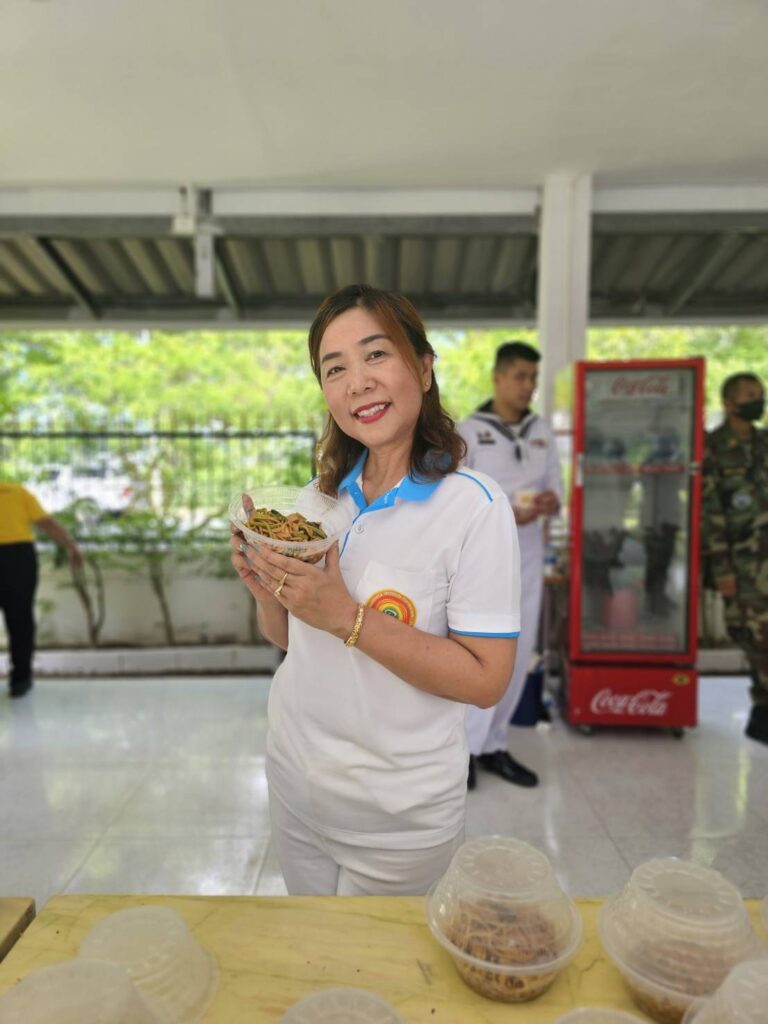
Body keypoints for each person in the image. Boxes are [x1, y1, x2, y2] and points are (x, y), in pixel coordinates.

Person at [230, 285, 521, 896]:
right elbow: (290, 639)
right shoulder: (318, 500)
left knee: (376, 959)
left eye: (376, 355)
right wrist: (266, 590)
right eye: (334, 368)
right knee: (312, 942)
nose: (357, 382)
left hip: (398, 817)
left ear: (424, 368)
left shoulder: (474, 507)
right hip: (295, 783)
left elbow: (486, 680)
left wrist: (346, 616)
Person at [458, 341, 562, 790]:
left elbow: (556, 487)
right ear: (497, 378)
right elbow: (456, 495)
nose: (528, 386)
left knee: (519, 652)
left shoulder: (542, 431)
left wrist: (550, 502)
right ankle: (464, 751)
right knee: (479, 651)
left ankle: (494, 745)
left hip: (529, 553)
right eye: (520, 376)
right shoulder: (469, 431)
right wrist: (504, 512)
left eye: (533, 378)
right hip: (483, 556)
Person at [702, 372, 768, 745]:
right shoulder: (713, 448)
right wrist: (722, 570)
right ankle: (762, 703)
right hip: (741, 565)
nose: (758, 400)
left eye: (761, 394)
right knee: (751, 636)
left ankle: (763, 711)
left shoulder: (765, 442)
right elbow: (710, 514)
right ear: (729, 403)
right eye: (750, 395)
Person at [0, 480, 83, 698]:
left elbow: (45, 521)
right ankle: (21, 679)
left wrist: (71, 545)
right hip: (19, 556)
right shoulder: (17, 491)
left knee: (20, 617)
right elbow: (45, 522)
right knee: (20, 617)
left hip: (18, 557)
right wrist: (71, 546)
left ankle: (21, 678)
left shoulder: (17, 492)